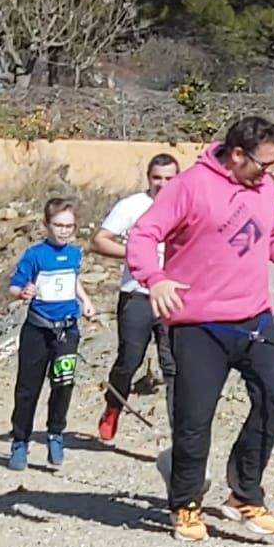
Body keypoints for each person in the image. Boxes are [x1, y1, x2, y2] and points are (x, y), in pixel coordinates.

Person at [127, 116, 274, 543]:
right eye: (262, 163)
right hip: (199, 323)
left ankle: (244, 495)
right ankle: (186, 505)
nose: (269, 171)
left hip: (254, 317)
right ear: (237, 155)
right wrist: (155, 279)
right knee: (194, 420)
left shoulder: (265, 187)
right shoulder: (190, 186)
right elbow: (143, 234)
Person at [92, 153, 180, 441]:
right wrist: (135, 254)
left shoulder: (188, 206)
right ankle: (113, 405)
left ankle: (180, 433)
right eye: (157, 178)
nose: (163, 184)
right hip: (138, 295)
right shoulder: (132, 206)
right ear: (148, 178)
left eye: (169, 178)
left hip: (175, 297)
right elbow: (100, 240)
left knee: (174, 367)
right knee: (129, 360)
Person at [7, 196, 94, 471]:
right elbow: (14, 285)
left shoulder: (74, 254)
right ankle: (20, 440)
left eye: (69, 226)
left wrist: (86, 300)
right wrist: (23, 292)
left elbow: (73, 280)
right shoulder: (35, 254)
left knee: (63, 383)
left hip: (67, 329)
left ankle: (56, 433)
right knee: (27, 389)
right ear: (47, 225)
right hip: (38, 328)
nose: (64, 231)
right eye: (58, 225)